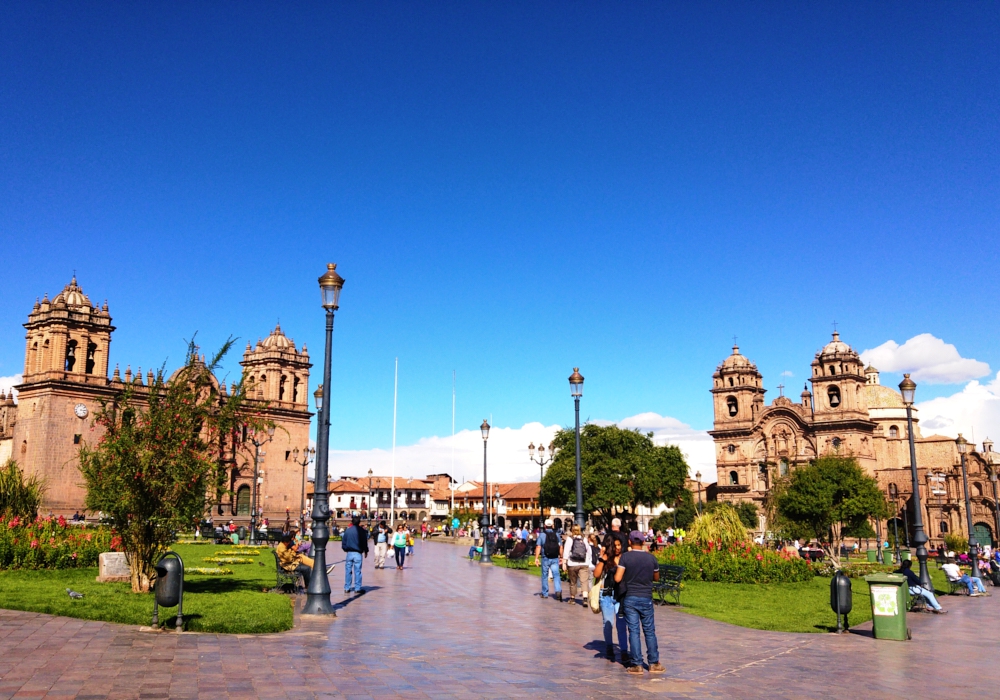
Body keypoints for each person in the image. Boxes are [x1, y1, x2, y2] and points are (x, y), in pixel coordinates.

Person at [614, 531, 664, 675]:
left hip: (630, 597)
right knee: (649, 630)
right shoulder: (651, 558)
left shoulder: (625, 557)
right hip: (646, 597)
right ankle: (654, 663)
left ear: (629, 542)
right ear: (643, 542)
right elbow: (656, 577)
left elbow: (617, 578)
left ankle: (637, 664)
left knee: (634, 631)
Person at [594, 533, 629, 663]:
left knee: (621, 624)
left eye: (619, 545)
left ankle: (624, 651)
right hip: (607, 594)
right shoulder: (606, 558)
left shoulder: (624, 558)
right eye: (615, 545)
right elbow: (596, 574)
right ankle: (609, 647)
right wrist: (602, 560)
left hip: (620, 595)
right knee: (608, 623)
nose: (618, 548)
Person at [562, 524, 592, 606]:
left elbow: (566, 551)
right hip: (584, 562)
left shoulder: (569, 539)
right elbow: (588, 550)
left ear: (572, 530)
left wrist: (564, 562)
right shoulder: (584, 539)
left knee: (573, 581)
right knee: (584, 581)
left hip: (572, 563)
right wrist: (588, 560)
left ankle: (572, 598)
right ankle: (585, 599)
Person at [534, 518, 563, 601]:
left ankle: (545, 593)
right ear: (552, 526)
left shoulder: (542, 535)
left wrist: (536, 558)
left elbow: (538, 546)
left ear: (545, 526)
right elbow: (560, 546)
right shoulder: (556, 534)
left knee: (544, 575)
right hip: (554, 557)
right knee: (556, 575)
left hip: (545, 557)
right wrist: (561, 557)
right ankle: (558, 590)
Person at [341, 515, 369, 595]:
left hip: (349, 552)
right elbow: (364, 542)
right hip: (358, 553)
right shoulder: (362, 531)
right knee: (358, 571)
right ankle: (357, 588)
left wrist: (345, 549)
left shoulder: (348, 530)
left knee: (348, 570)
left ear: (352, 522)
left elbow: (344, 542)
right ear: (359, 522)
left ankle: (347, 588)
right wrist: (366, 551)